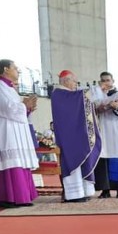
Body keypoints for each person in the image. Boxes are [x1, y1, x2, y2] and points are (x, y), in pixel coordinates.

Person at [0, 59, 39, 208]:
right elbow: (5, 108)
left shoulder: (10, 88)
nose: (18, 70)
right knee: (13, 161)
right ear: (6, 69)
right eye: (15, 68)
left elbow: (16, 108)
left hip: (16, 129)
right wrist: (24, 105)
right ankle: (10, 197)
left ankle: (21, 196)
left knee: (20, 160)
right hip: (7, 130)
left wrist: (28, 108)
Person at [49, 69, 101, 202]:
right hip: (68, 137)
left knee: (83, 157)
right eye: (74, 81)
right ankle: (74, 194)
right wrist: (96, 89)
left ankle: (84, 191)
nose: (76, 84)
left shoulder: (67, 94)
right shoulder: (59, 94)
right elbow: (77, 100)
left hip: (75, 135)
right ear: (66, 80)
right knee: (72, 161)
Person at [91, 72, 118, 197]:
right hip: (103, 131)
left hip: (116, 132)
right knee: (104, 156)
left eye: (108, 80)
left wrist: (115, 107)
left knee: (117, 156)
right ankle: (105, 190)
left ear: (113, 81)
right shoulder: (98, 96)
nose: (106, 83)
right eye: (103, 80)